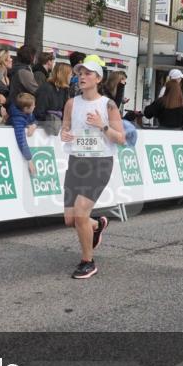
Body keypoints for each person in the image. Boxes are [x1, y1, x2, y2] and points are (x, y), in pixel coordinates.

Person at [60, 57, 125, 279]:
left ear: (98, 78)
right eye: (80, 73)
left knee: (80, 213)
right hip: (76, 163)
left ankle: (88, 262)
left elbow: (121, 139)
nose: (82, 77)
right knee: (71, 219)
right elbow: (64, 129)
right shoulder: (71, 103)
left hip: (100, 163)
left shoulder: (108, 105)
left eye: (88, 73)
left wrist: (102, 125)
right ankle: (96, 225)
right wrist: (65, 134)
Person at [35, 62, 71, 135]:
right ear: (64, 75)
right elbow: (39, 112)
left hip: (56, 127)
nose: (71, 77)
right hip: (42, 129)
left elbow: (65, 111)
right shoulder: (46, 88)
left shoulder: (64, 90)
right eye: (70, 74)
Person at [9, 92, 38, 174]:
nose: (35, 106)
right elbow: (22, 141)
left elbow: (35, 120)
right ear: (26, 108)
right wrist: (30, 161)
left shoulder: (28, 113)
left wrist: (34, 125)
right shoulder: (18, 119)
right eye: (33, 105)